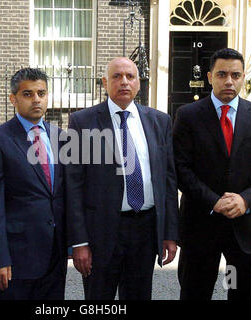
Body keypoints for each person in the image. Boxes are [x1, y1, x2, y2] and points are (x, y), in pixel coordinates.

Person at [173, 48, 251, 300]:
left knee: (240, 293)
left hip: (245, 229)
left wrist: (245, 199)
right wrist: (214, 200)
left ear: (243, 77)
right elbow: (180, 168)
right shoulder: (188, 116)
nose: (229, 81)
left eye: (235, 75)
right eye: (222, 74)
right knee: (195, 293)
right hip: (200, 226)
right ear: (210, 77)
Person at [65, 57, 179, 300]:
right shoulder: (83, 122)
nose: (124, 82)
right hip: (101, 233)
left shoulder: (160, 121)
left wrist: (169, 233)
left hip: (145, 230)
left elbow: (168, 181)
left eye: (130, 76)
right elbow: (73, 186)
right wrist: (79, 242)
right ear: (105, 82)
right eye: (116, 77)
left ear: (139, 83)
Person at [0, 68, 67, 300]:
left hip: (55, 254)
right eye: (27, 94)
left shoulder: (61, 138)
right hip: (16, 258)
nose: (36, 99)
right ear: (13, 98)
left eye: (41, 93)